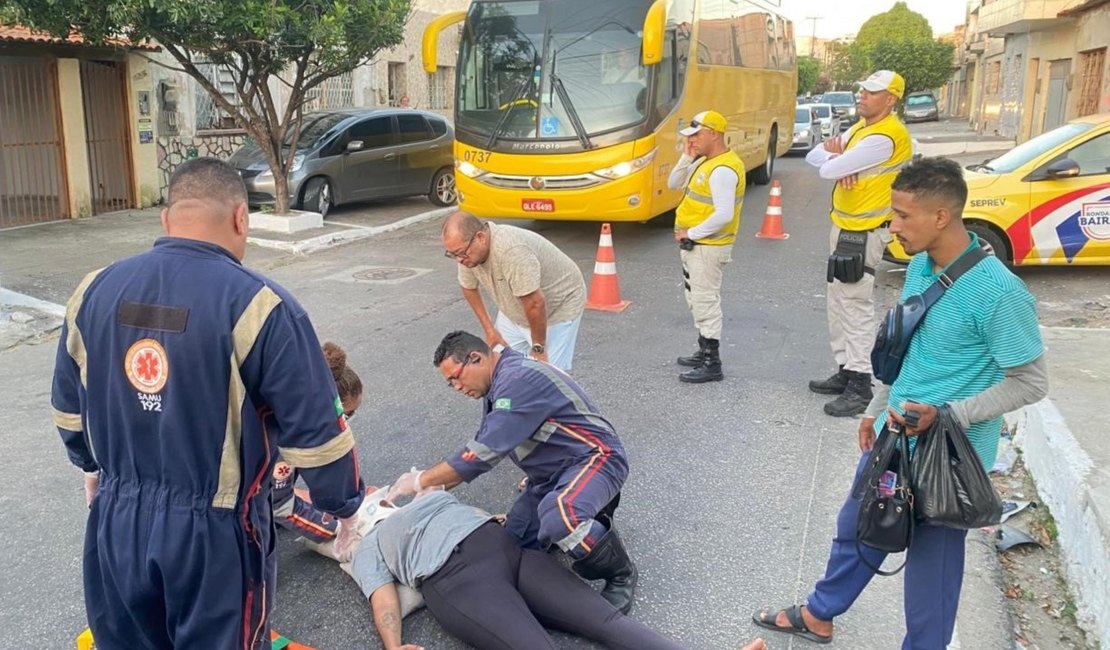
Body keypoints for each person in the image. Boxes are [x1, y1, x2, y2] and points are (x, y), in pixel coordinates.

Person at [50, 157, 366, 649]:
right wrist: (344, 505)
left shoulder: (92, 292)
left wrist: (90, 464)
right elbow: (318, 438)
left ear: (167, 218)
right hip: (213, 534)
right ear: (242, 218)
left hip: (116, 521)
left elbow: (70, 412)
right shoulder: (262, 306)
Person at [753, 157, 1047, 649]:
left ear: (941, 217)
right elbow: (907, 349)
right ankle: (819, 614)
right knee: (858, 524)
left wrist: (949, 414)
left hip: (950, 453)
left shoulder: (1000, 293)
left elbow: (1030, 383)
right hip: (896, 433)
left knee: (932, 572)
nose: (892, 226)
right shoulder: (919, 268)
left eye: (902, 215)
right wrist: (875, 405)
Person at [386, 330, 637, 613]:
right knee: (513, 542)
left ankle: (620, 573)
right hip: (551, 476)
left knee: (560, 517)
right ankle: (575, 517)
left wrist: (421, 480)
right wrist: (439, 486)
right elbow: (481, 441)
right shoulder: (498, 383)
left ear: (475, 358)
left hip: (595, 459)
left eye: (455, 377)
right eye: (449, 384)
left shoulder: (517, 381)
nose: (455, 387)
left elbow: (480, 454)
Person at [350, 488, 769, 650]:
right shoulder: (371, 541)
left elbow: (384, 600)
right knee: (576, 632)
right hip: (477, 564)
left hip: (488, 558)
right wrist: (393, 646)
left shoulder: (424, 500)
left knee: (600, 620)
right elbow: (383, 599)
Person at [805, 70, 913, 417]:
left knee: (855, 306)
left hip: (864, 232)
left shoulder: (884, 136)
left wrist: (835, 162)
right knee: (839, 304)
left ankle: (860, 385)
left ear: (891, 99)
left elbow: (823, 169)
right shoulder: (861, 130)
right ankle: (846, 370)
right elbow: (814, 156)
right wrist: (838, 160)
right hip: (847, 226)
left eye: (872, 91)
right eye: (863, 89)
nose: (862, 95)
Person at [442, 211, 586, 372]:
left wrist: (539, 348)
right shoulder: (468, 254)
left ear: (481, 238)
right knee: (498, 366)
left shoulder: (511, 250)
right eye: (452, 254)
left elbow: (535, 303)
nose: (459, 260)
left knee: (546, 377)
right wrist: (490, 330)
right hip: (515, 307)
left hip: (557, 307)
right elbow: (468, 287)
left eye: (460, 253)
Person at [667, 109, 745, 383]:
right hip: (696, 244)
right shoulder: (706, 161)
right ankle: (704, 350)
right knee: (696, 299)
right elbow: (673, 182)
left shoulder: (722, 169)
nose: (692, 140)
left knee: (705, 301)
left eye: (696, 135)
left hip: (707, 246)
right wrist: (687, 155)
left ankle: (712, 363)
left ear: (714, 134)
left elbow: (724, 215)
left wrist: (693, 232)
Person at [271, 341, 363, 559]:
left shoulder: (299, 411)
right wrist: (334, 528)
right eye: (346, 414)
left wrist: (351, 494)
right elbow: (280, 503)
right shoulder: (285, 434)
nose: (346, 422)